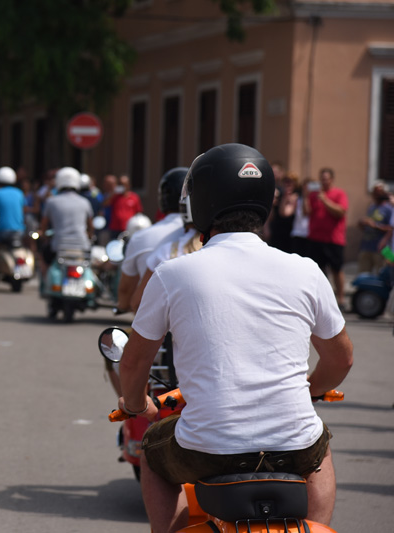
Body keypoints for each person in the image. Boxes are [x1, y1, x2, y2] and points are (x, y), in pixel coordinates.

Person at [117, 144, 353, 533]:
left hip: (206, 450)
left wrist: (135, 403)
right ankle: (315, 527)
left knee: (154, 451)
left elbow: (134, 360)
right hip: (292, 448)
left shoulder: (172, 273)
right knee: (318, 443)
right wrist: (309, 391)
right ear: (265, 201)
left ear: (201, 202)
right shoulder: (306, 270)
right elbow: (341, 359)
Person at [116, 167, 187, 313]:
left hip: (154, 323)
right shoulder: (208, 235)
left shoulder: (142, 238)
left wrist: (122, 306)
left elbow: (128, 290)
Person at [304, 167, 349, 309]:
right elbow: (307, 213)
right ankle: (321, 300)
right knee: (318, 271)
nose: (323, 182)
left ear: (331, 179)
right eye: (321, 179)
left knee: (336, 270)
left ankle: (340, 299)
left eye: (326, 179)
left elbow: (341, 212)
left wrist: (325, 200)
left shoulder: (338, 193)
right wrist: (305, 196)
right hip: (316, 238)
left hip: (334, 239)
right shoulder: (313, 195)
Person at [39, 167, 93, 270]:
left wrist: (43, 235)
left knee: (43, 260)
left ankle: (46, 282)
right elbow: (91, 226)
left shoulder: (52, 201)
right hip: (82, 246)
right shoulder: (84, 202)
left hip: (58, 246)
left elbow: (43, 226)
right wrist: (89, 236)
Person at [356, 181, 393, 274]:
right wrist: (363, 224)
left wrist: (375, 225)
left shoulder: (389, 208)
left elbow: (391, 228)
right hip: (367, 245)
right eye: (374, 192)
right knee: (363, 273)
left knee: (381, 273)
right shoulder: (372, 207)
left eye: (379, 192)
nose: (376, 195)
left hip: (382, 248)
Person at [267, 173, 300, 253]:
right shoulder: (279, 196)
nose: (287, 184)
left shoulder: (296, 197)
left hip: (289, 233)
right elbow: (271, 216)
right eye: (286, 181)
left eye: (290, 182)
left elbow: (285, 213)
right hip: (276, 231)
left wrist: (285, 199)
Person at [105, 173, 143, 240]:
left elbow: (138, 213)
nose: (122, 186)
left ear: (128, 185)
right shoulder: (115, 196)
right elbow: (105, 204)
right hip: (115, 228)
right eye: (120, 184)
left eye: (123, 184)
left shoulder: (134, 197)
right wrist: (113, 193)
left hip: (129, 229)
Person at [290, 176, 314, 256]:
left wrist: (305, 197)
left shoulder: (313, 200)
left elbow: (306, 212)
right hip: (297, 233)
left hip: (308, 234)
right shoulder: (297, 199)